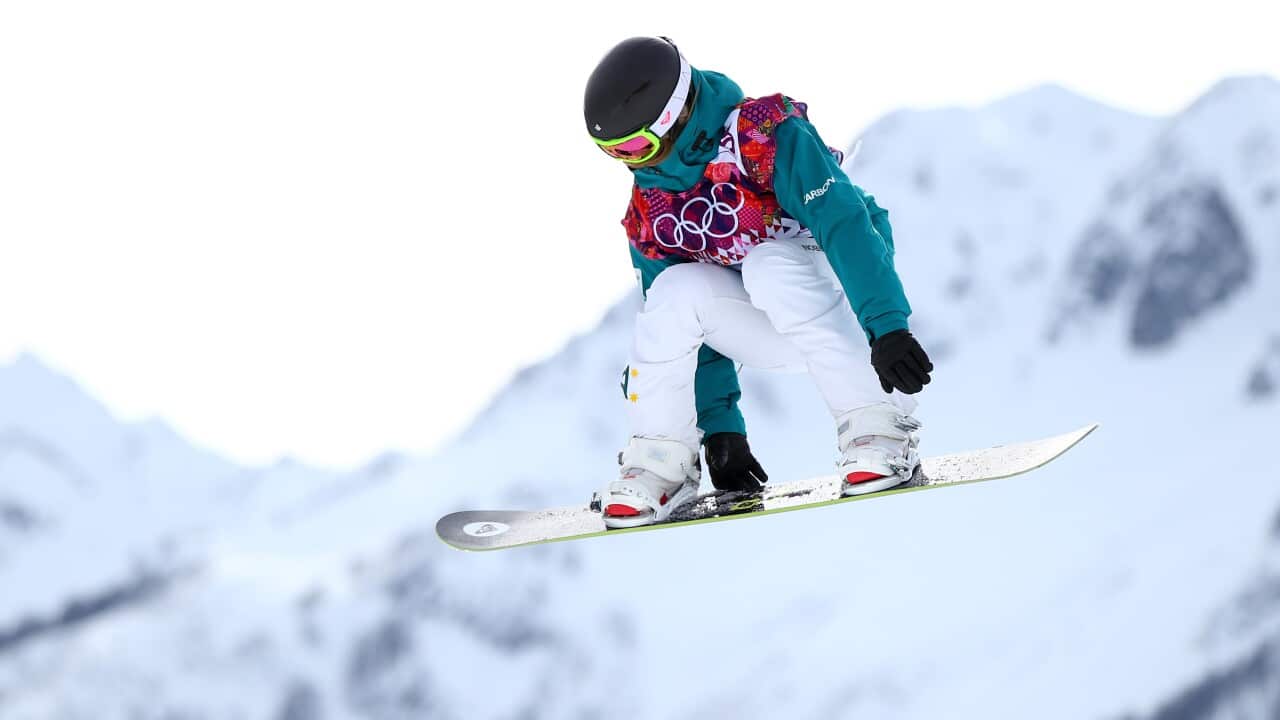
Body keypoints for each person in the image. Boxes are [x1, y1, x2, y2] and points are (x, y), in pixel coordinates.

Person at [584, 37, 933, 528]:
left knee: (768, 263)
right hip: (768, 319)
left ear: (674, 116)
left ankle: (878, 425)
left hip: (842, 300)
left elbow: (843, 222)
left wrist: (887, 326)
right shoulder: (652, 210)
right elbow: (684, 336)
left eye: (636, 145)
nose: (632, 162)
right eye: (612, 152)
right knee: (674, 291)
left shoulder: (762, 135)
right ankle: (662, 462)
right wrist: (721, 428)